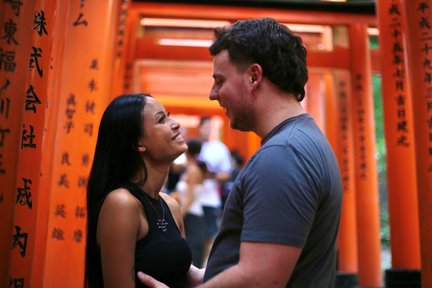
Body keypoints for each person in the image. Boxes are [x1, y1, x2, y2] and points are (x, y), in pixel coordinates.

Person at [139, 17, 343, 287]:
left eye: (220, 80)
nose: (213, 94)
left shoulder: (283, 154)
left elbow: (261, 278)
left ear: (253, 76)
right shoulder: (300, 141)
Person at [85, 93, 203, 287]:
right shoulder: (122, 203)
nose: (175, 124)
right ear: (138, 143)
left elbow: (185, 276)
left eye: (168, 115)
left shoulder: (170, 205)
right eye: (161, 120)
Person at [196, 116, 232, 265]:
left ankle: (204, 264)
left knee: (209, 235)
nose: (208, 130)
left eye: (211, 127)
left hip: (210, 199)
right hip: (193, 199)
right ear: (200, 128)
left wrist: (209, 175)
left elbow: (227, 174)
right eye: (205, 127)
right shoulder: (192, 146)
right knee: (192, 235)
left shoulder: (219, 148)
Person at [175, 139, 208, 268]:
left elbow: (189, 199)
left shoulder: (194, 170)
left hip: (192, 216)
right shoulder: (190, 168)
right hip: (190, 215)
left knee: (193, 254)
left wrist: (178, 218)